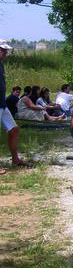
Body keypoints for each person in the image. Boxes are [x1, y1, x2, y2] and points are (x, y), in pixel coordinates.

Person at [0, 40, 27, 173]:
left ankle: (15, 159)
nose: (5, 52)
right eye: (3, 50)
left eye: (6, 50)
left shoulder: (1, 65)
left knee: (14, 129)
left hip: (2, 104)